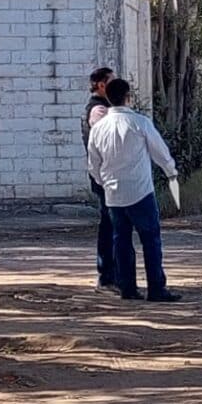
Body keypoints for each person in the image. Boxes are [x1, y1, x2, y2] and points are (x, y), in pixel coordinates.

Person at [87, 78, 183, 303]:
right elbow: (159, 151)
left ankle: (127, 287)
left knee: (121, 240)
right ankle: (156, 288)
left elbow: (93, 164)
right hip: (140, 190)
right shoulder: (140, 123)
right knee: (150, 240)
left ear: (108, 98)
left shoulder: (98, 128)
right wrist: (171, 171)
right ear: (128, 97)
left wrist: (104, 183)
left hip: (113, 193)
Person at [83, 67, 116, 291]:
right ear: (102, 85)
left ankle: (111, 274)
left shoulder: (105, 108)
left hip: (107, 175)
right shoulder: (98, 111)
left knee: (112, 224)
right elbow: (108, 138)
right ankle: (106, 276)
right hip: (105, 176)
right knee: (110, 225)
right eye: (112, 82)